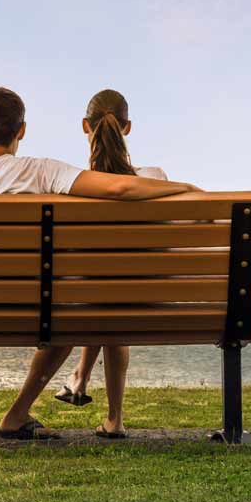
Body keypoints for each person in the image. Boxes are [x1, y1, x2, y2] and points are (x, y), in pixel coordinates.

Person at [0, 86, 198, 441]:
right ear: (21, 131)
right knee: (68, 317)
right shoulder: (41, 171)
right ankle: (16, 414)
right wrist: (186, 187)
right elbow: (119, 189)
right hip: (35, 311)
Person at [53, 88, 169, 438]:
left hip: (83, 299)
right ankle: (113, 416)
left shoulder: (73, 186)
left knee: (102, 288)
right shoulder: (155, 178)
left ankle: (80, 377)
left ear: (85, 126)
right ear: (128, 127)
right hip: (145, 300)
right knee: (115, 291)